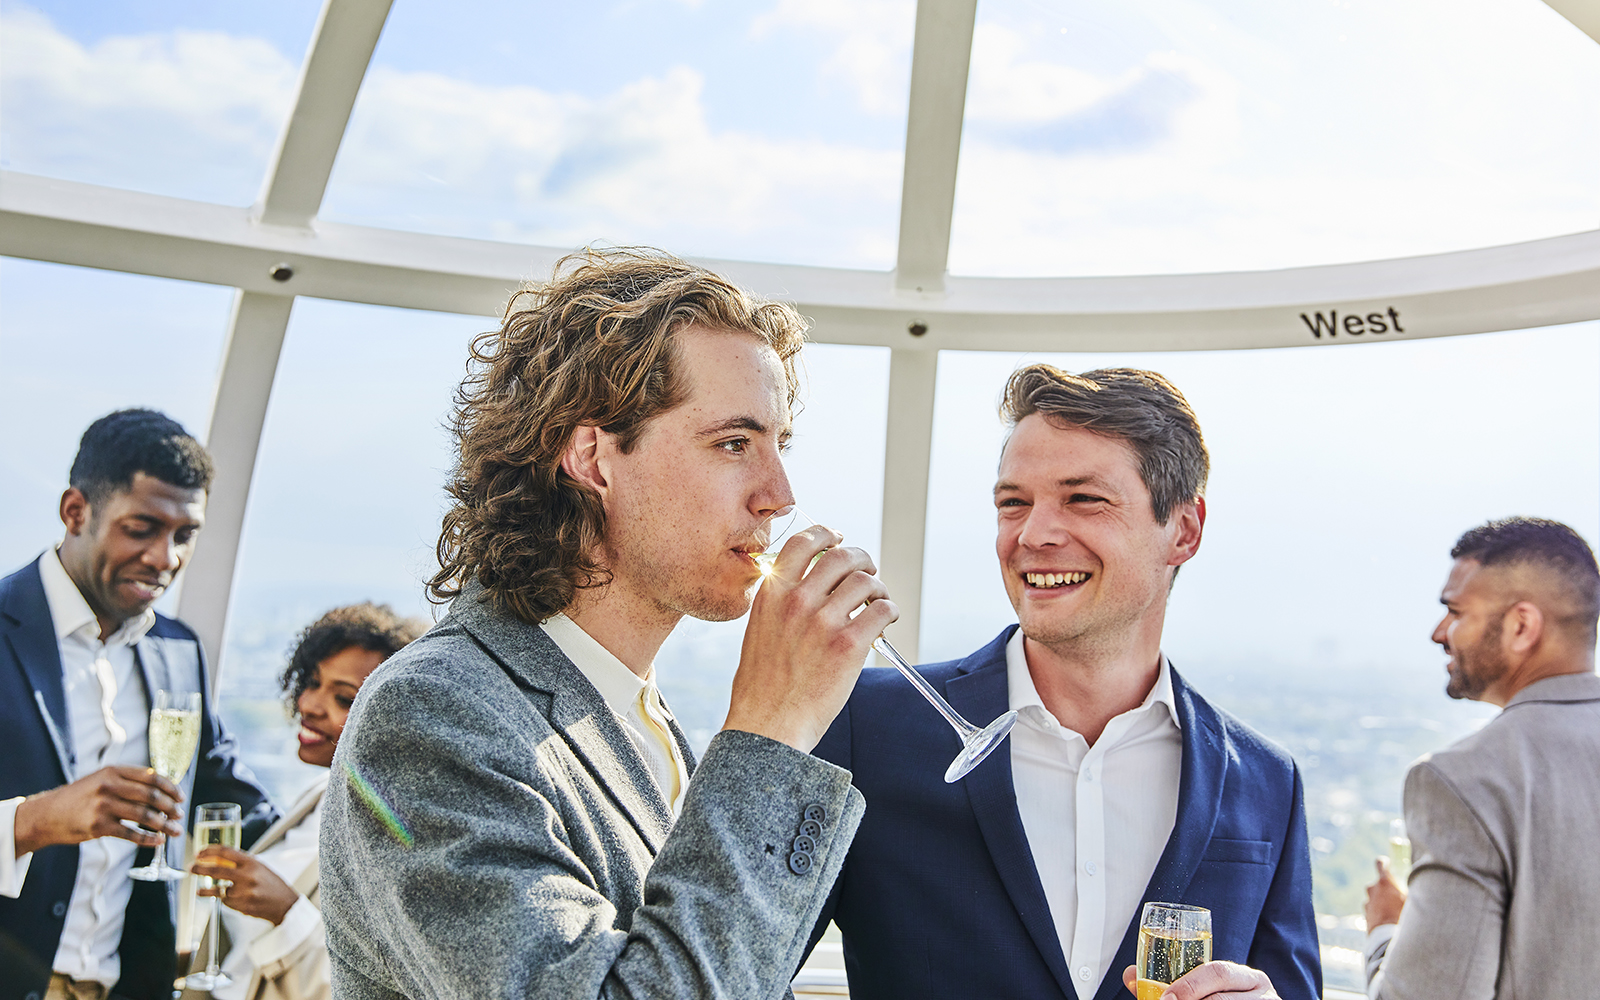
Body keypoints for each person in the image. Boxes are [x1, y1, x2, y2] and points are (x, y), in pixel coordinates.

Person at [318, 248, 898, 999]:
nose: (778, 494)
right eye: (734, 443)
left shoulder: (639, 718)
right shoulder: (432, 715)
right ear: (594, 457)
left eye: (778, 446)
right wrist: (771, 732)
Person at [809, 366, 1320, 1000]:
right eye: (1013, 503)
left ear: (1183, 531)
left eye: (1083, 499)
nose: (1032, 535)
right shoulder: (866, 725)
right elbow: (737, 965)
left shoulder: (1268, 781)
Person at [1, 409, 277, 1000]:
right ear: (75, 511)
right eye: (142, 528)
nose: (165, 557)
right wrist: (37, 820)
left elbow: (227, 791)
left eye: (184, 535)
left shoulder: (179, 651)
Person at [1362, 517, 1600, 1000]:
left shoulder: (1463, 780)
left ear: (1521, 626)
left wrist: (1386, 932)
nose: (1438, 632)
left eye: (1455, 611)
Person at [181, 604, 424, 1000]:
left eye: (344, 698)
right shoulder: (321, 796)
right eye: (312, 682)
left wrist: (285, 912)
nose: (309, 704)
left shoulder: (399, 837)